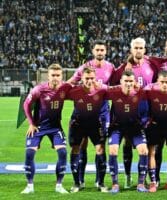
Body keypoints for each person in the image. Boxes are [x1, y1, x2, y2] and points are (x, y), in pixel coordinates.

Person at [111, 37, 158, 188]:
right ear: (131, 50)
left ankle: (150, 179)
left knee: (151, 146)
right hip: (125, 114)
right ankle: (127, 176)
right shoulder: (123, 69)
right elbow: (111, 86)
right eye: (135, 48)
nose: (138, 50)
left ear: (145, 49)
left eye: (141, 48)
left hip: (146, 113)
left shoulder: (152, 65)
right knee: (126, 143)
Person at [68, 39, 114, 189]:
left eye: (102, 50)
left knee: (100, 146)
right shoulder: (84, 68)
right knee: (82, 145)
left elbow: (115, 87)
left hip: (101, 114)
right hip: (82, 113)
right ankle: (79, 181)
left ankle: (98, 181)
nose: (100, 52)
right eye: (97, 50)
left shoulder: (110, 67)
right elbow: (70, 83)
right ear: (93, 51)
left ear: (105, 51)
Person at [21, 64, 71, 194]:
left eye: (58, 75)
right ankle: (30, 185)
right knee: (29, 153)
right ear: (48, 76)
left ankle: (59, 185)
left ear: (61, 76)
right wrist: (31, 123)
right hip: (38, 127)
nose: (55, 78)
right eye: (53, 75)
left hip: (55, 128)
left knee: (63, 153)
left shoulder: (65, 88)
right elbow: (26, 104)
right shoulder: (39, 89)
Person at [106, 70, 149, 194]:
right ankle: (115, 184)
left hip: (134, 128)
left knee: (143, 150)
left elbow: (146, 113)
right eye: (126, 81)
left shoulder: (141, 93)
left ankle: (141, 183)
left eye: (131, 81)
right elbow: (101, 91)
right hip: (117, 127)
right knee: (113, 150)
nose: (128, 84)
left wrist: (142, 123)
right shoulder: (114, 92)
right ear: (121, 82)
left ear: (134, 82)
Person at [66, 67, 108, 193]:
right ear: (81, 79)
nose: (89, 81)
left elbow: (116, 92)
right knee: (76, 148)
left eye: (92, 78)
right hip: (78, 123)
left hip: (95, 123)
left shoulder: (101, 89)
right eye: (87, 78)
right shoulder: (74, 90)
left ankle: (100, 183)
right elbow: (58, 94)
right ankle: (77, 183)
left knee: (100, 149)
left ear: (95, 78)